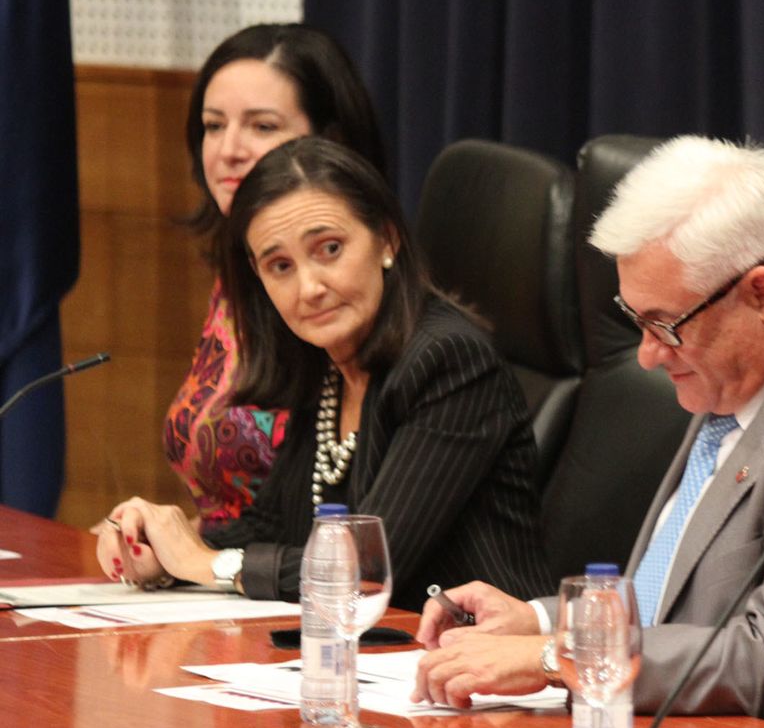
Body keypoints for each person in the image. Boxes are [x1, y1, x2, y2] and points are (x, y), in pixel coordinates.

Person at [410, 135, 764, 728]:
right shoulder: (742, 375)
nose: (647, 355)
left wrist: (554, 657)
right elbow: (679, 601)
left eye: (664, 325)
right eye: (637, 321)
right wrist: (534, 620)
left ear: (762, 295)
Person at [97, 137, 551, 613]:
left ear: (387, 238)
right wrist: (162, 547)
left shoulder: (449, 361)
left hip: (483, 665)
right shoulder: (324, 363)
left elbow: (364, 572)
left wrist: (206, 563)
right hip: (376, 659)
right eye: (280, 266)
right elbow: (270, 528)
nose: (309, 287)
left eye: (329, 249)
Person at [165, 24, 387, 535]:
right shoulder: (235, 274)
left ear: (328, 143)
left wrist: (201, 558)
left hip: (307, 585)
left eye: (262, 127)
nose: (229, 150)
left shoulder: (341, 296)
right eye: (214, 126)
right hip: (224, 576)